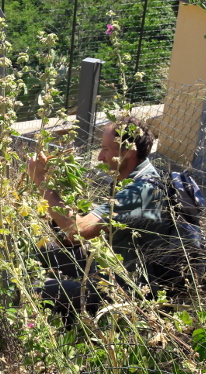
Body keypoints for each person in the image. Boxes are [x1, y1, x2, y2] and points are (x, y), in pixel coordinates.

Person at [27, 117, 170, 315]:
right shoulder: (137, 178)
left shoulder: (140, 190)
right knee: (37, 249)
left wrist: (41, 181)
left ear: (128, 151)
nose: (99, 157)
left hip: (124, 291)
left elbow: (76, 231)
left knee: (29, 288)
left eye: (105, 149)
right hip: (109, 265)